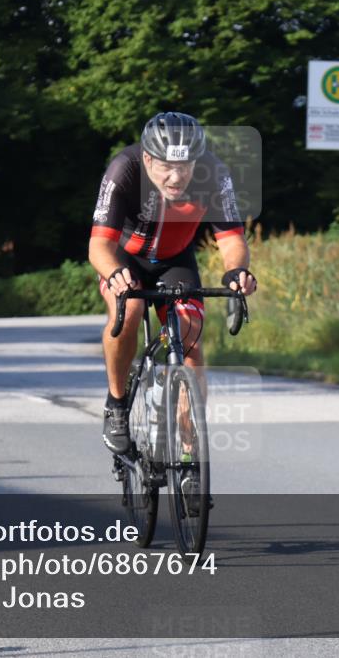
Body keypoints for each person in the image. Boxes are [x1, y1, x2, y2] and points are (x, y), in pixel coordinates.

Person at [88, 112, 257, 455]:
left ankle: (189, 454)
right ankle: (117, 404)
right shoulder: (125, 168)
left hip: (175, 261)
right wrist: (115, 273)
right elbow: (98, 246)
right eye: (166, 166)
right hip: (124, 259)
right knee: (131, 308)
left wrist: (235, 272)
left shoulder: (215, 173)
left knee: (191, 332)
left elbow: (232, 240)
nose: (176, 176)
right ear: (148, 158)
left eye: (185, 166)